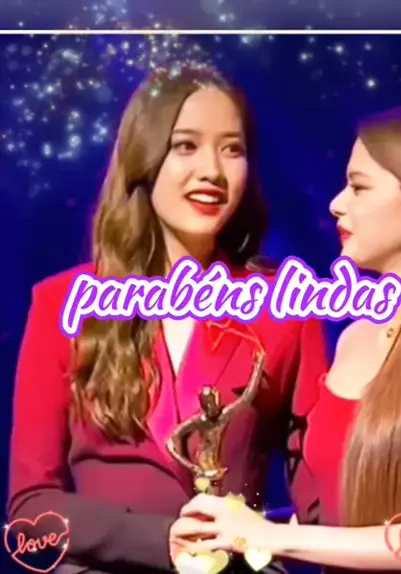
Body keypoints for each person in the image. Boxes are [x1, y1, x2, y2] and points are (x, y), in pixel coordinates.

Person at [7, 63, 328, 574]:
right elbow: (30, 513)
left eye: (232, 149)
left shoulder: (283, 305)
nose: (212, 170)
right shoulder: (61, 303)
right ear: (144, 158)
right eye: (186, 146)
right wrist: (159, 540)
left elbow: (318, 490)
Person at [171, 101, 401, 572]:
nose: (336, 203)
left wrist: (269, 536)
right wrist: (236, 530)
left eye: (359, 187)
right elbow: (335, 517)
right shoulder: (352, 339)